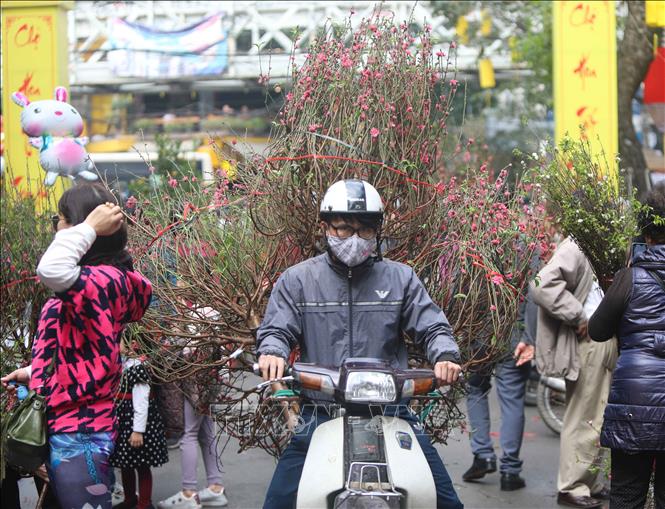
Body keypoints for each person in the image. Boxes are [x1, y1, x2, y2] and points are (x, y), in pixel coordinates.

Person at [256, 179, 464, 509]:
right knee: (280, 501)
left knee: (443, 499)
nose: (353, 239)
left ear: (377, 231)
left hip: (391, 411)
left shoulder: (401, 278)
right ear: (324, 227)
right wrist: (272, 353)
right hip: (321, 410)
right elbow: (276, 330)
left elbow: (432, 326)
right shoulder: (298, 280)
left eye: (364, 230)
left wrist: (446, 355)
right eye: (342, 229)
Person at [1, 183, 153, 509]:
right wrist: (35, 372)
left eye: (62, 219)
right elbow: (87, 348)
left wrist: (88, 228)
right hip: (74, 428)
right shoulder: (100, 280)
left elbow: (51, 269)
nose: (56, 225)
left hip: (79, 435)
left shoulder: (100, 281)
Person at [588, 184, 665, 508]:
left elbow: (597, 330)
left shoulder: (629, 278)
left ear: (646, 233)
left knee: (627, 495)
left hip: (634, 403)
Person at [531, 236, 617, 509]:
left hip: (599, 340)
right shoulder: (576, 246)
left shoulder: (592, 245)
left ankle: (587, 482)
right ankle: (572, 485)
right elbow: (541, 284)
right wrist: (578, 315)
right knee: (583, 415)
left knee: (596, 416)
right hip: (589, 341)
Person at [462, 296, 535, 491]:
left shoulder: (472, 263)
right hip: (514, 336)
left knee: (475, 390)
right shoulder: (529, 264)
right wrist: (529, 338)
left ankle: (483, 455)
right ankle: (510, 471)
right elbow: (536, 295)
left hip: (478, 334)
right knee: (512, 399)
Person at [110, 340, 169, 509]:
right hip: (123, 421)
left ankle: (144, 504)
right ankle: (130, 500)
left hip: (137, 423)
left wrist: (138, 431)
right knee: (125, 464)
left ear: (133, 343)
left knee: (142, 465)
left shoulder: (139, 366)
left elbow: (142, 401)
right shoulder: (122, 363)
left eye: (118, 340)